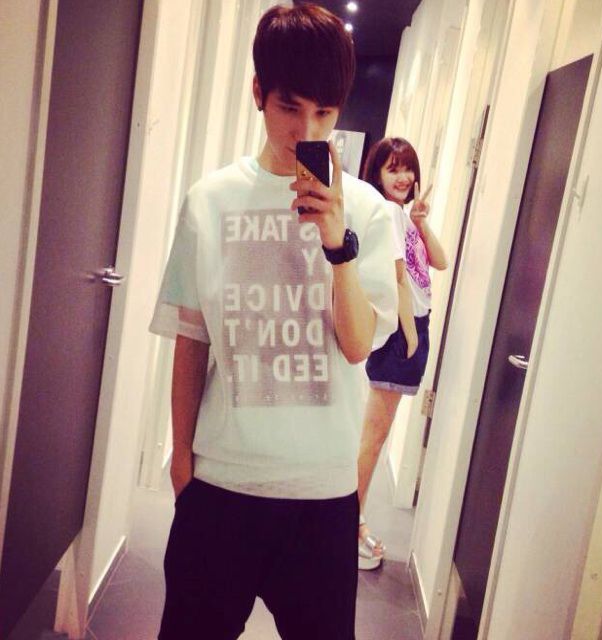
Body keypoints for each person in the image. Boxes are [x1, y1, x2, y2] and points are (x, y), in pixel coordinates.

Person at [149, 4, 397, 639]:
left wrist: (337, 244)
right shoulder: (209, 202)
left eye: (325, 112)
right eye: (290, 106)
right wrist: (183, 465)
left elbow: (357, 345)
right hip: (220, 485)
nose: (305, 128)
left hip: (323, 495)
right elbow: (191, 340)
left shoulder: (368, 211)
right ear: (258, 92)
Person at [357, 137, 448, 570]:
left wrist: (421, 223)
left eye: (408, 167)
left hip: (412, 328)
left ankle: (349, 523)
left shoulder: (402, 216)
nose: (404, 176)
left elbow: (440, 262)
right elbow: (396, 279)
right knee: (373, 438)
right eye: (393, 168)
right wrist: (410, 336)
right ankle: (350, 527)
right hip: (403, 331)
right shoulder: (386, 212)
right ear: (377, 173)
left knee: (375, 435)